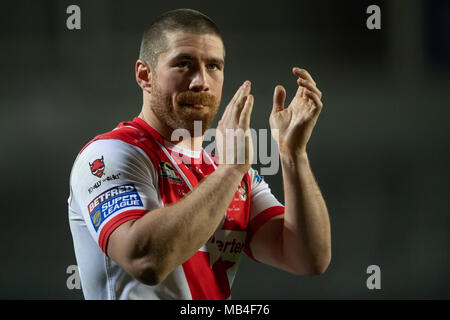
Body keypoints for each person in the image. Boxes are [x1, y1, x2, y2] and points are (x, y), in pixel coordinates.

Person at [68, 8, 331, 300]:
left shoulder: (230, 172)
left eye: (214, 66)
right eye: (184, 64)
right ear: (145, 75)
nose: (201, 81)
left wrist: (293, 154)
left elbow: (308, 258)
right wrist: (230, 171)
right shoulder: (111, 154)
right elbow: (146, 260)